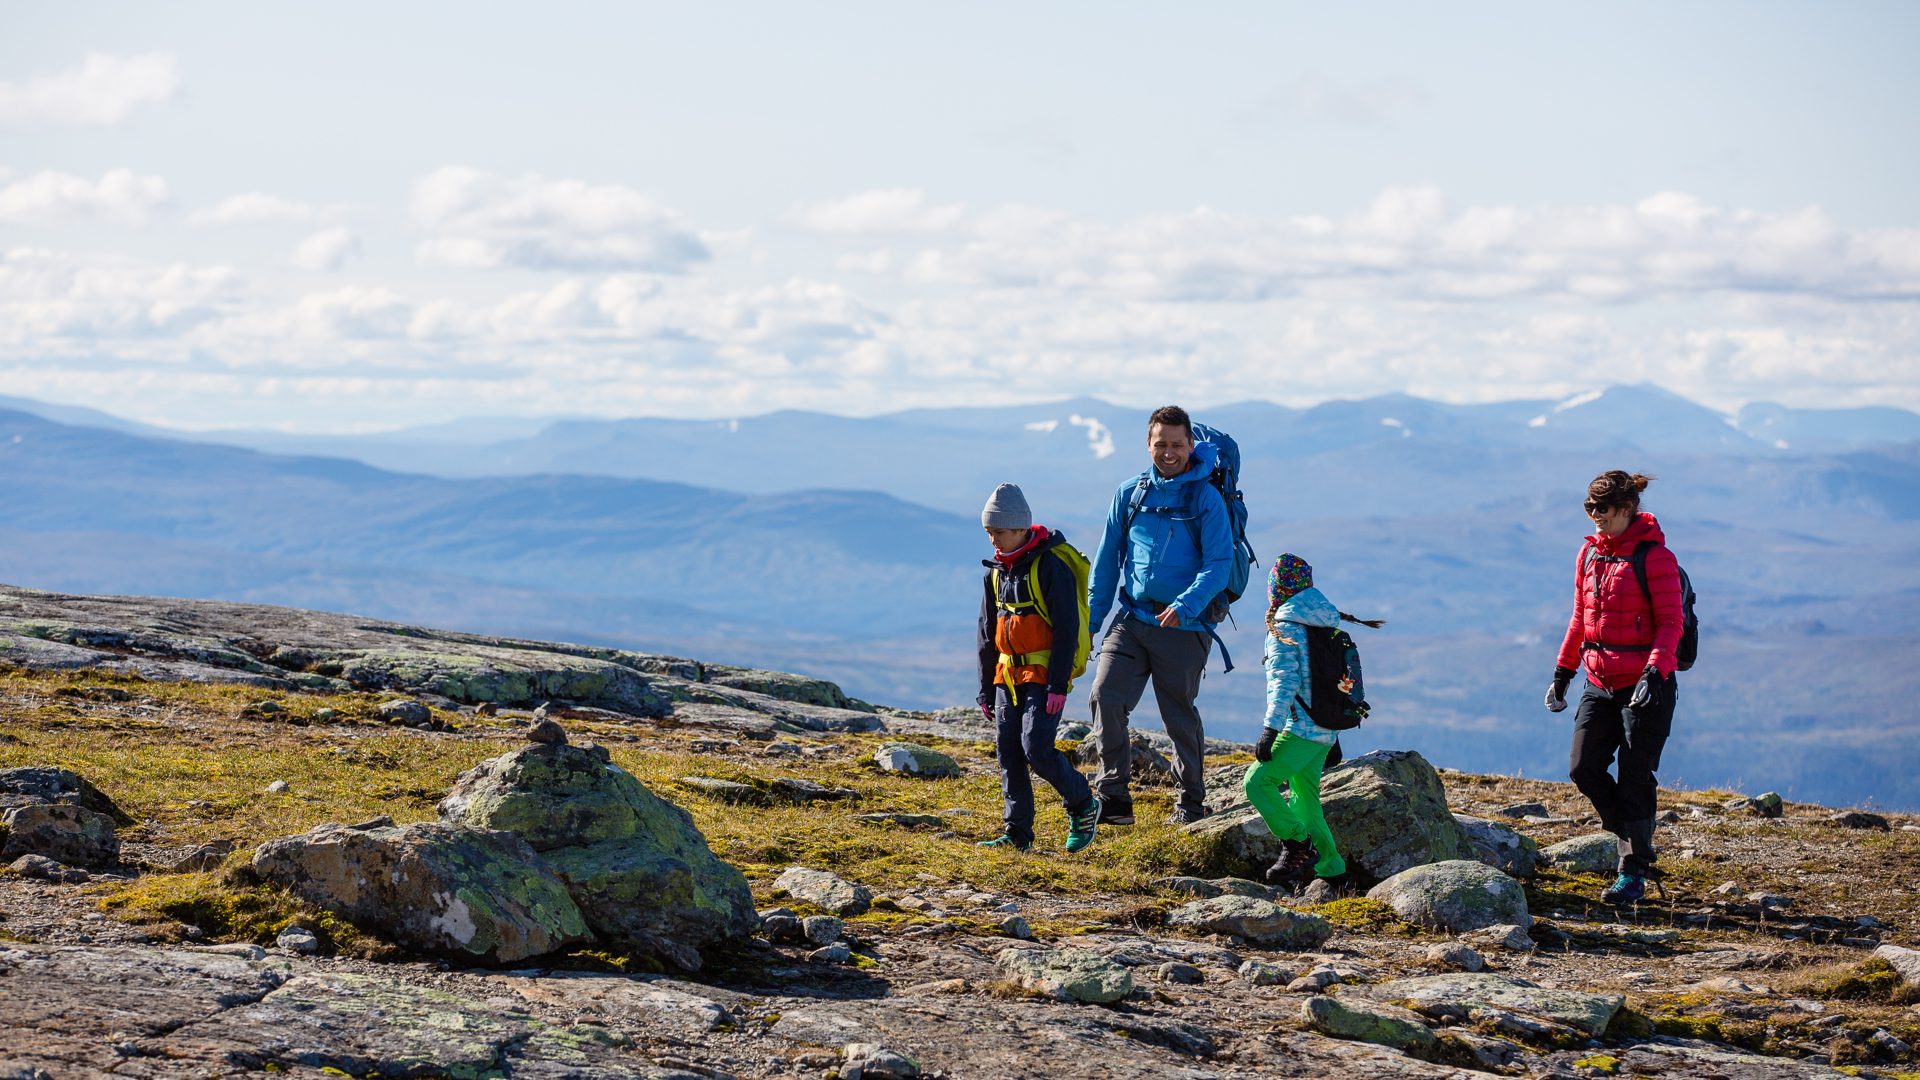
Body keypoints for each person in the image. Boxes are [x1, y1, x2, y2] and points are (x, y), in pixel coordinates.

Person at [1085, 405, 1232, 825]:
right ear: (1148, 444)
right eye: (1161, 444)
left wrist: (1185, 605)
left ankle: (1191, 803)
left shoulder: (1205, 498)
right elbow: (1107, 561)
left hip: (1183, 626)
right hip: (1132, 620)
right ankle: (1114, 797)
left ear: (1191, 445)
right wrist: (1091, 622)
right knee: (1105, 697)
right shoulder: (1130, 493)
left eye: (1177, 445)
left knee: (1178, 716)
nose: (1169, 453)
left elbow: (1219, 563)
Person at [1547, 470, 1684, 905]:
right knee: (1582, 768)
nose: (1595, 515)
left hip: (1646, 685)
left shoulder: (1656, 558)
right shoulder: (1588, 554)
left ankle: (1633, 872)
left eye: (1602, 507)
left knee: (1635, 776)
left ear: (1626, 508)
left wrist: (1654, 673)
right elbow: (1579, 618)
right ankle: (1629, 832)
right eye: (1589, 506)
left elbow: (1671, 623)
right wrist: (1563, 672)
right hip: (1598, 681)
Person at [974, 483, 1101, 853]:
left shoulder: (1050, 567)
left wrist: (1058, 685)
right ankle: (1017, 833)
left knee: (1036, 748)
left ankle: (1083, 803)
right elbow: (986, 633)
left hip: (1044, 677)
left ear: (1020, 529)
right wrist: (985, 689)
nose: (993, 540)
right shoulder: (995, 572)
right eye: (989, 532)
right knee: (1008, 752)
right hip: (1006, 676)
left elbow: (1066, 628)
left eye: (999, 532)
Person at [1242, 554, 1379, 888]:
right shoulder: (1323, 623)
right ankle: (1334, 873)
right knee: (1305, 801)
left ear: (1276, 589)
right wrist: (1335, 734)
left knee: (1256, 783)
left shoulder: (1285, 628)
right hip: (1324, 732)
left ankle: (1297, 845)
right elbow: (1326, 684)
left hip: (1300, 731)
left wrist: (1270, 730)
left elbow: (1285, 683)